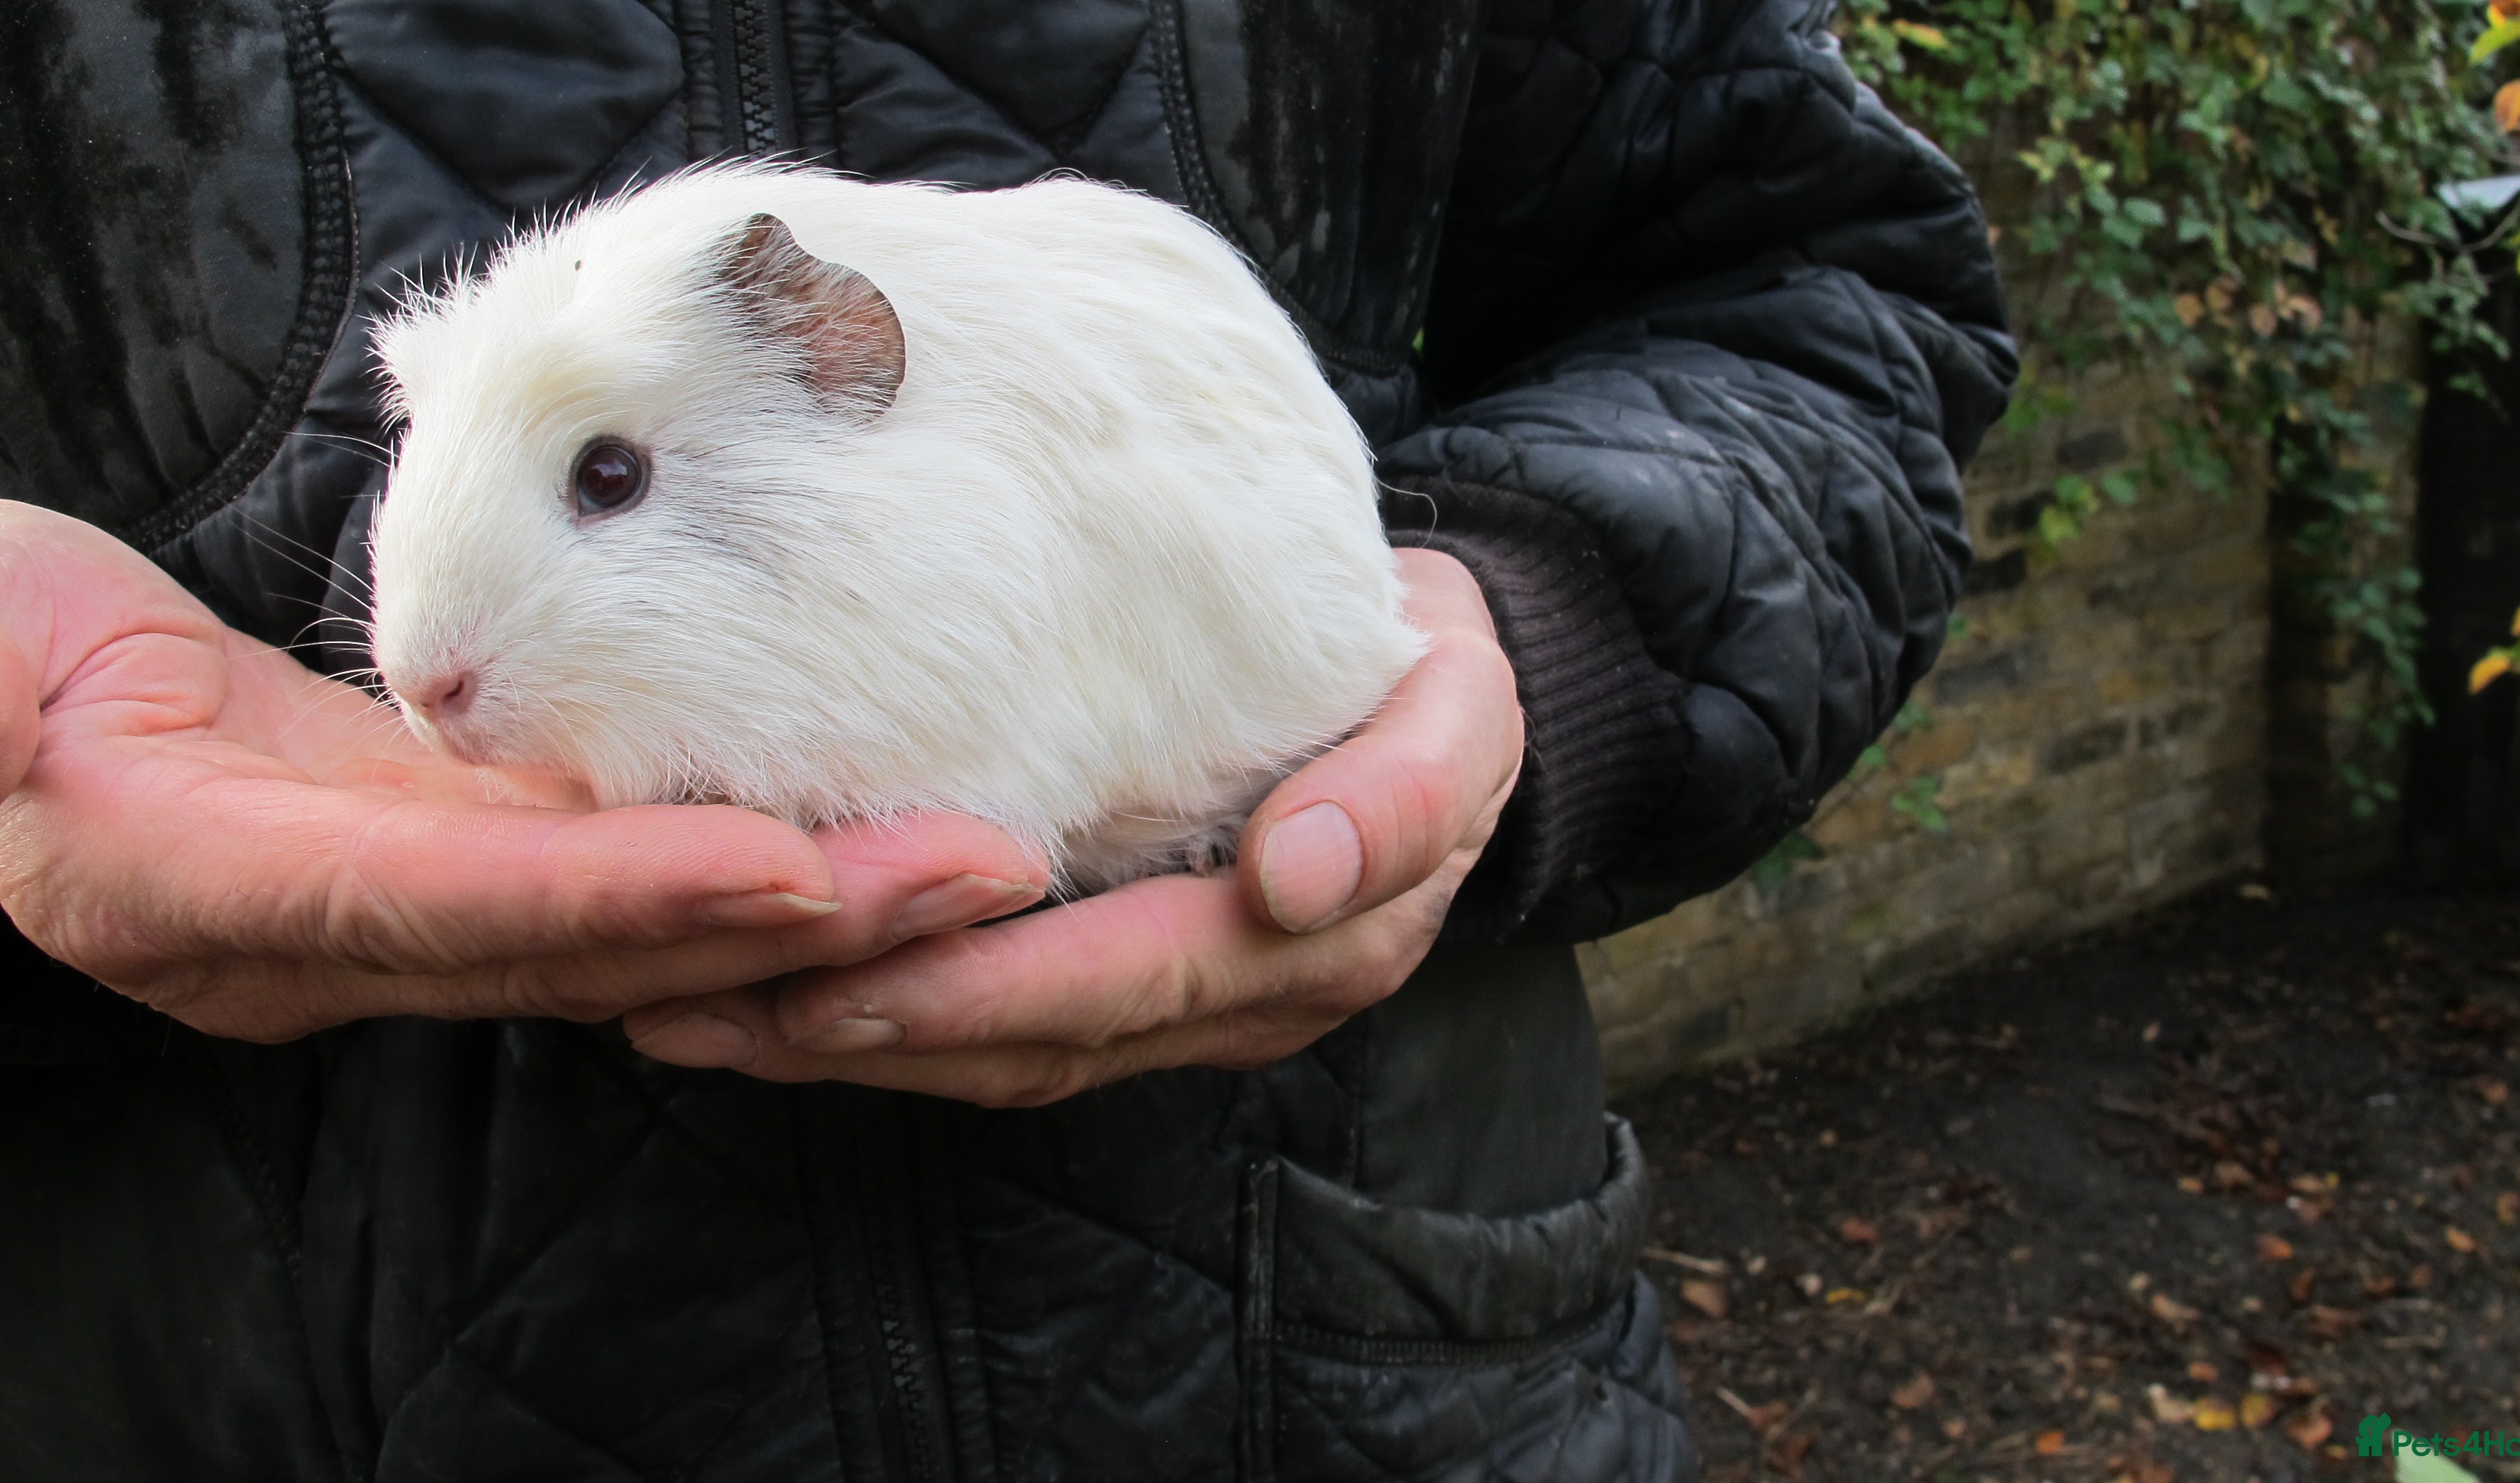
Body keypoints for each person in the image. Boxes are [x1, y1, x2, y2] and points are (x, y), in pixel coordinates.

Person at [0, 1, 2013, 1477]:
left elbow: (1809, 286)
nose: (415, 661)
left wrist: (1546, 621)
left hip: (1386, 1346)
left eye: (609, 477)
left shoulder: (974, 477)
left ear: (841, 362)